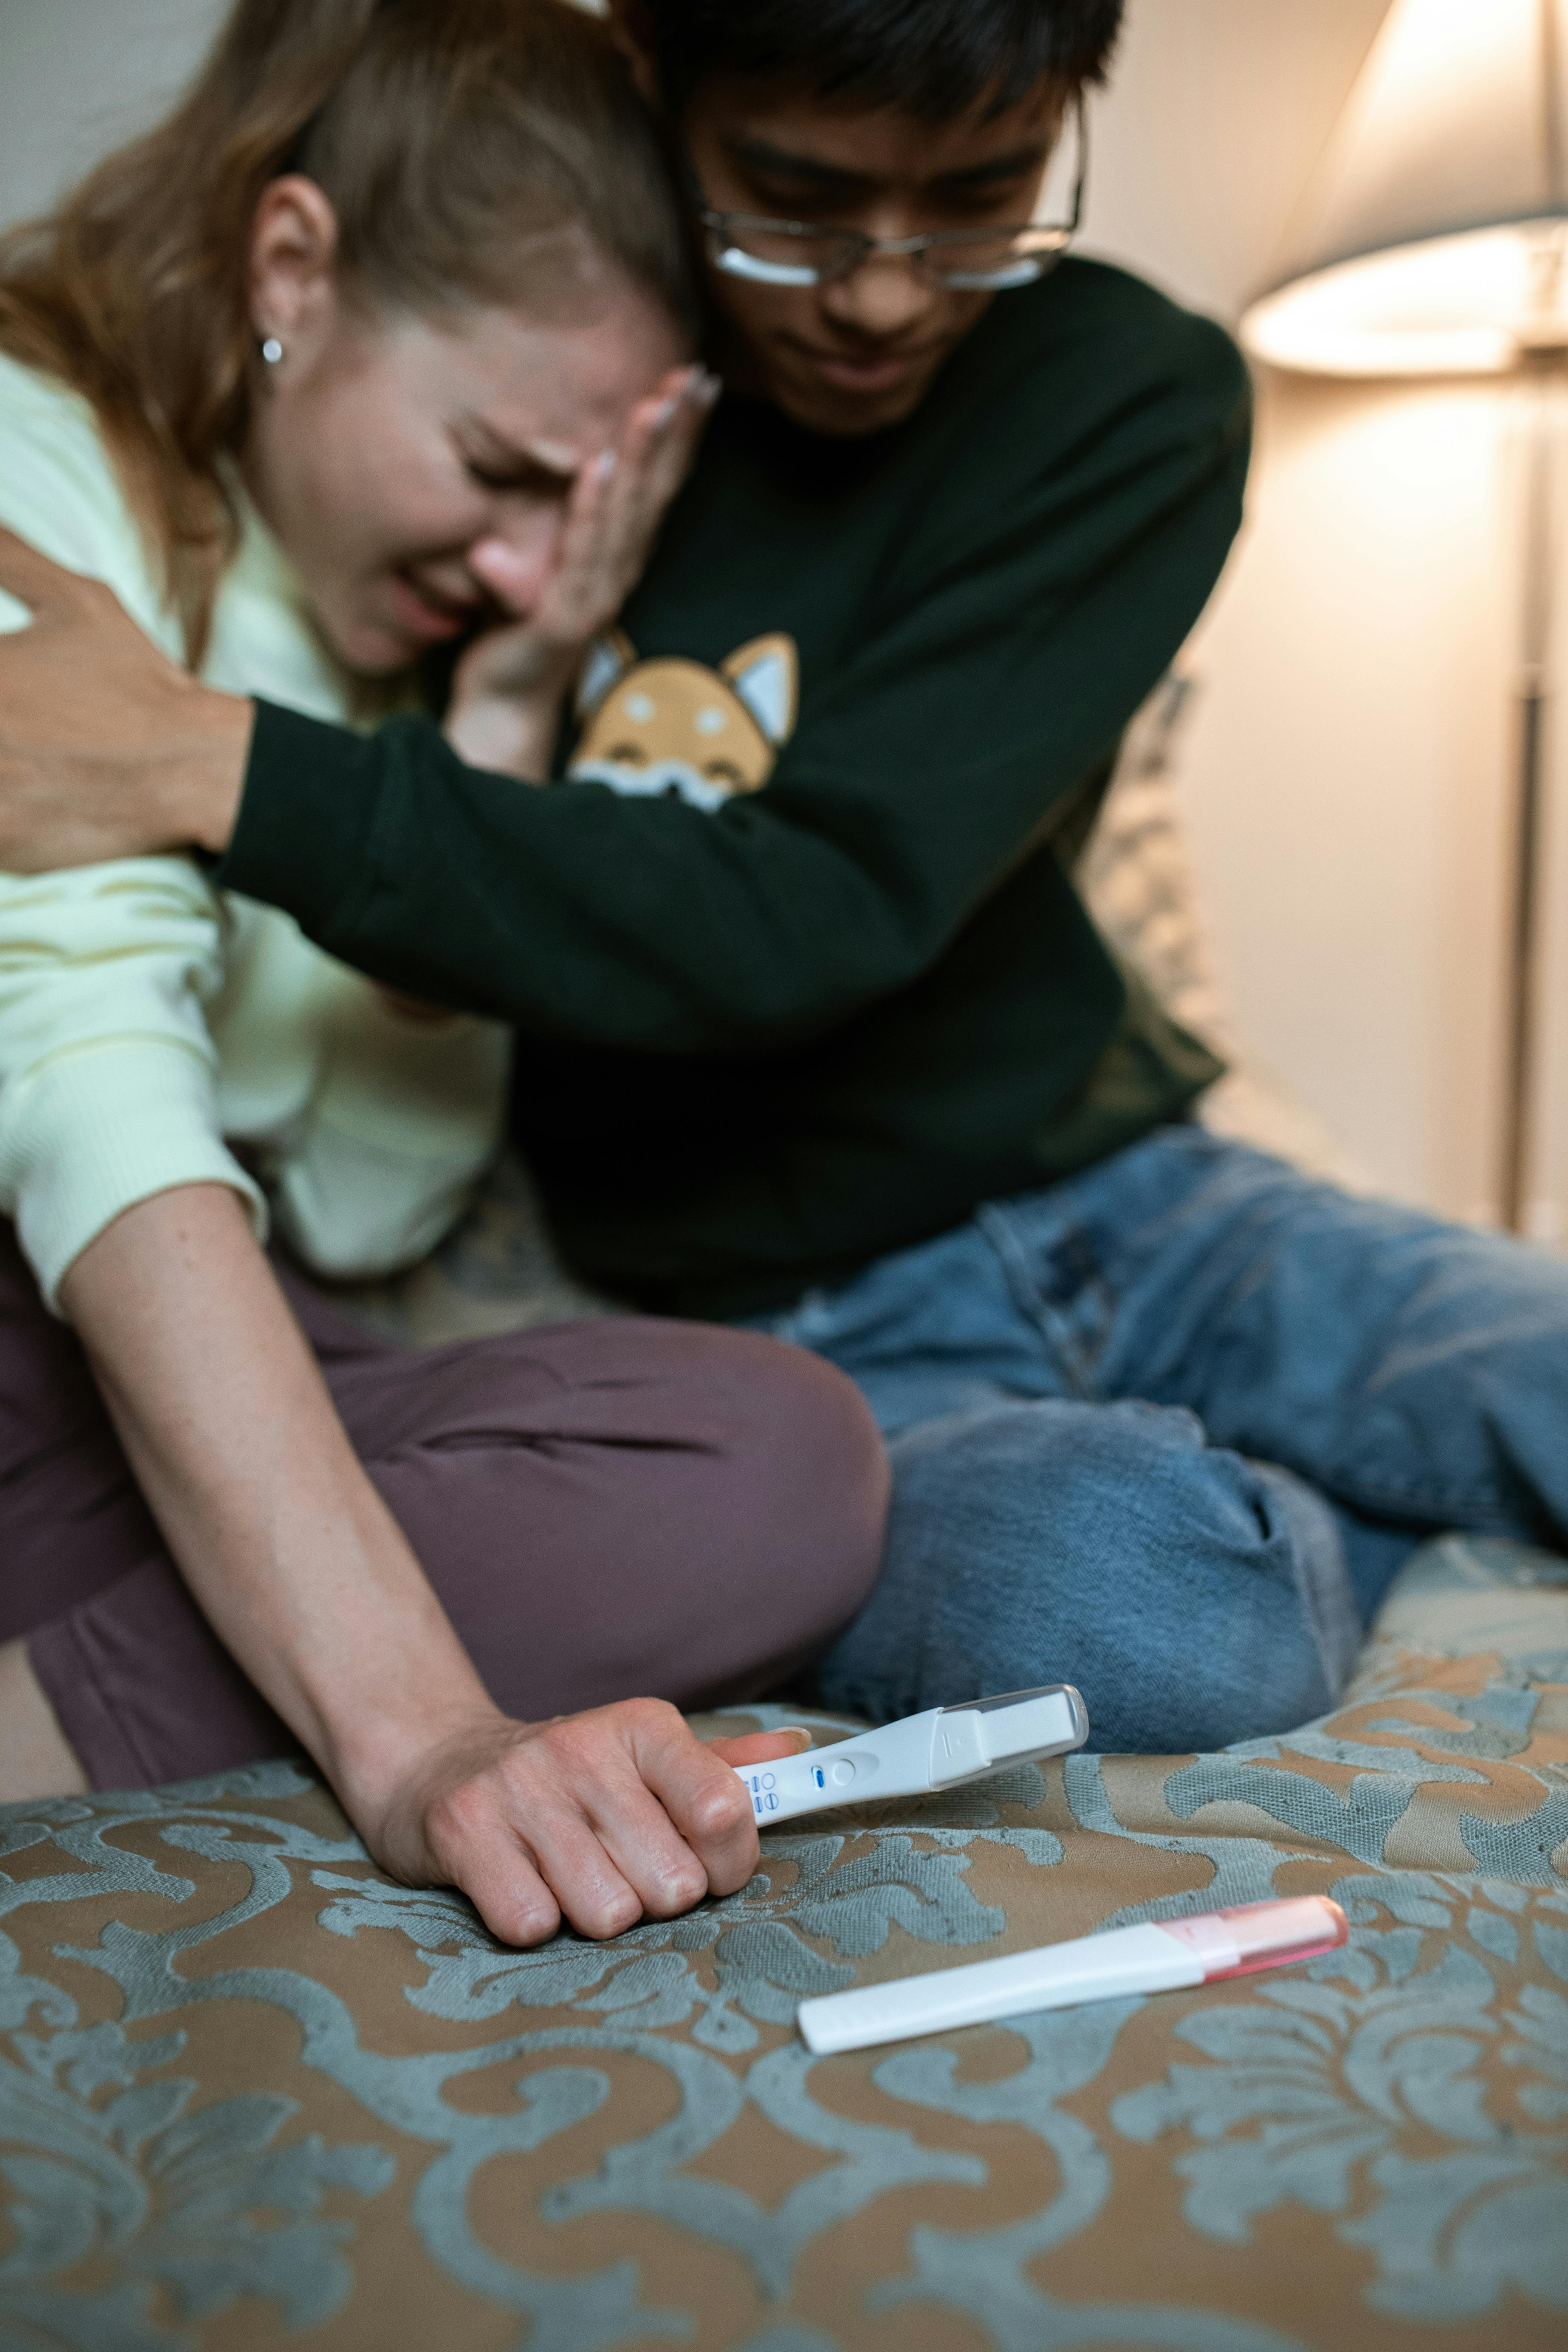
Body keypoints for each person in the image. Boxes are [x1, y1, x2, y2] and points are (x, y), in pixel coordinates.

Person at [3, 0, 1566, 1761]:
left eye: (984, 195)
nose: (886, 291)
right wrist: (500, 694)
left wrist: (214, 759)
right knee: (1165, 1600)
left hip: (1129, 1190)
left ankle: (1326, 1477)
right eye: (797, 202)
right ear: (652, 99)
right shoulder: (543, 391)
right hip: (763, 1316)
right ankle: (1288, 1512)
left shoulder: (1122, 394)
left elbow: (823, 905)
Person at [0, 0, 892, 1950]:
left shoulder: (369, 635)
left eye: (565, 514)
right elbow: (90, 1093)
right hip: (48, 1282)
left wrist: (491, 719)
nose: (516, 568)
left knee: (782, 1461)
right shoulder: (30, 466)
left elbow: (371, 1195)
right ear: (291, 268)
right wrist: (415, 1734)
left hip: (130, 1379)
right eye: (494, 465)